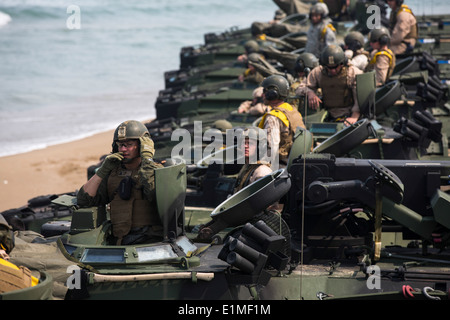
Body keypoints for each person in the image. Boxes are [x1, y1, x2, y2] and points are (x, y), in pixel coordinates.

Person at [76, 120, 163, 245]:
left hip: (150, 240)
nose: (123, 149)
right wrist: (102, 171)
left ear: (142, 145)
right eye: (120, 145)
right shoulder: (113, 173)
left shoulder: (156, 171)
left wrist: (147, 160)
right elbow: (84, 200)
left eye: (128, 144)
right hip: (120, 241)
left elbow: (154, 194)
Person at [298, 44, 363, 124]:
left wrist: (355, 115)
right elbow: (300, 88)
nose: (333, 71)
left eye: (336, 67)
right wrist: (309, 92)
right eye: (329, 67)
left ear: (342, 63)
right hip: (326, 114)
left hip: (349, 113)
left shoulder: (352, 72)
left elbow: (360, 96)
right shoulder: (318, 72)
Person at [258, 75, 306, 167]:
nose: (262, 95)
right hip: (296, 162)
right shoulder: (291, 110)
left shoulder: (273, 117)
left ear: (272, 93)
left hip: (281, 165)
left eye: (264, 91)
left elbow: (272, 148)